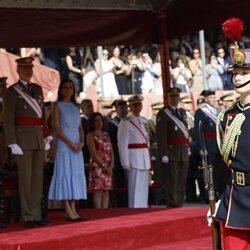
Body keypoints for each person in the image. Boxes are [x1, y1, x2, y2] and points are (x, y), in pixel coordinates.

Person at [214, 17, 250, 249]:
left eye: (243, 72)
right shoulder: (227, 115)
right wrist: (219, 199)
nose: (236, 77)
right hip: (235, 197)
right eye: (235, 72)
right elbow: (223, 164)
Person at [3, 57, 51, 227]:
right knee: (25, 179)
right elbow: (8, 119)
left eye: (30, 68)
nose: (28, 71)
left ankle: (36, 214)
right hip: (22, 140)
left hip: (38, 138)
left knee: (38, 179)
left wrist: (46, 136)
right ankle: (28, 216)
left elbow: (42, 116)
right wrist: (12, 142)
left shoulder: (37, 89)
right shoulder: (12, 91)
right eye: (24, 68)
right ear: (18, 71)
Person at [48, 79, 87, 221]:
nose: (68, 90)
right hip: (65, 145)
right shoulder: (57, 106)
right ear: (61, 89)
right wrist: (70, 143)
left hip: (77, 146)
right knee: (65, 173)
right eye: (65, 87)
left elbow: (80, 128)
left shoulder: (76, 107)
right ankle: (68, 208)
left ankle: (72, 207)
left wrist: (82, 142)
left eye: (71, 87)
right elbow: (57, 129)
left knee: (74, 174)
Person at [156, 87, 189, 207]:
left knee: (182, 179)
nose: (175, 98)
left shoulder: (182, 112)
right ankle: (172, 203)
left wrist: (187, 147)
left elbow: (186, 131)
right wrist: (164, 153)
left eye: (177, 96)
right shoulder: (163, 113)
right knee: (172, 180)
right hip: (171, 150)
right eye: (172, 96)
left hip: (183, 150)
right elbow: (161, 135)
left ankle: (179, 202)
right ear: (168, 98)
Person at [117, 95, 151, 208]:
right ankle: (134, 209)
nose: (137, 107)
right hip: (133, 158)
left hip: (144, 157)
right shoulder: (125, 122)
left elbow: (147, 141)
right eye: (134, 105)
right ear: (130, 107)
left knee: (143, 187)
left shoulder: (144, 121)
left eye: (138, 105)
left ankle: (143, 207)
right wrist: (125, 162)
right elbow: (122, 143)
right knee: (134, 187)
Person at [194, 90, 223, 201]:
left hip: (218, 145)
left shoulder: (217, 111)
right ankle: (209, 196)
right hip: (208, 146)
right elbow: (198, 131)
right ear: (205, 99)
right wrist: (202, 147)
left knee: (217, 172)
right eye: (211, 97)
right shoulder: (201, 112)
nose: (214, 100)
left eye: (214, 97)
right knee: (208, 172)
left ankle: (217, 193)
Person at [87, 112, 114, 208]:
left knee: (106, 192)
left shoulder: (106, 135)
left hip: (108, 165)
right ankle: (98, 213)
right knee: (98, 191)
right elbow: (93, 153)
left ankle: (105, 212)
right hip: (97, 166)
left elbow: (111, 151)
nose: (98, 122)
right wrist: (103, 166)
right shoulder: (90, 135)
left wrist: (111, 165)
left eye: (100, 120)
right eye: (96, 120)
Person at [106, 99, 128, 207]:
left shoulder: (130, 121)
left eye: (125, 108)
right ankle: (121, 204)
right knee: (120, 181)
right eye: (121, 108)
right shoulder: (111, 124)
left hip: (130, 155)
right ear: (116, 109)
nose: (124, 110)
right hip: (117, 155)